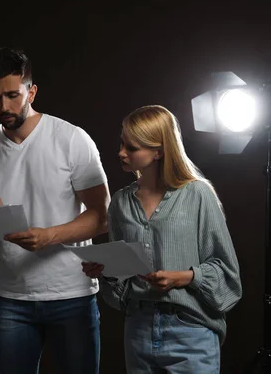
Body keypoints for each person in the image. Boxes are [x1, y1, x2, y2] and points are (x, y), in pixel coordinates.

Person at [0, 47, 110, 374]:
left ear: (31, 91)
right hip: (10, 299)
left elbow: (102, 216)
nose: (3, 106)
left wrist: (48, 236)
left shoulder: (71, 139)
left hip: (71, 294)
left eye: (12, 95)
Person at [82, 105, 242, 373]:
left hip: (191, 332)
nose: (121, 153)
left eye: (131, 148)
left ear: (158, 151)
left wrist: (183, 277)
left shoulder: (198, 195)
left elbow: (228, 274)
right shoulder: (121, 202)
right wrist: (105, 272)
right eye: (122, 143)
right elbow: (121, 289)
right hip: (138, 330)